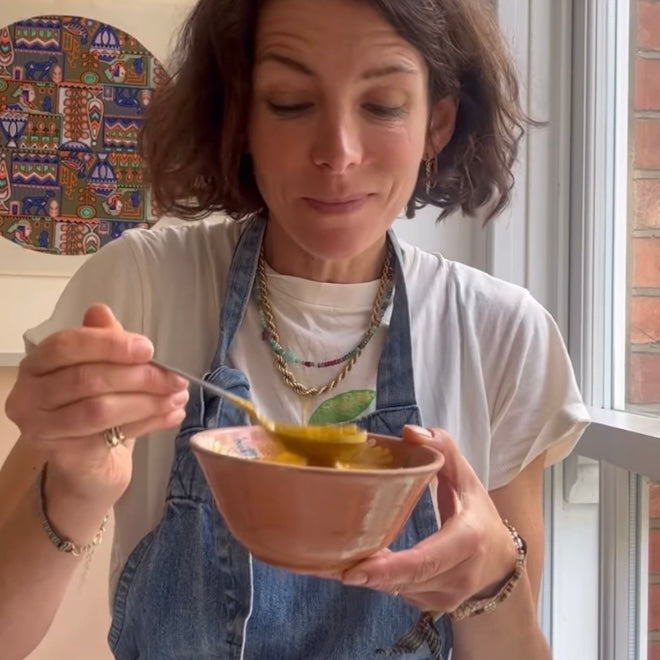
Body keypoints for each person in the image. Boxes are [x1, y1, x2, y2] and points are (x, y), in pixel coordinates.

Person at [0, 0, 590, 658]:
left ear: (437, 124)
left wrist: (489, 579)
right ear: (241, 118)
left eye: (383, 105)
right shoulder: (140, 287)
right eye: (289, 103)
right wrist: (76, 488)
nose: (338, 153)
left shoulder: (502, 336)